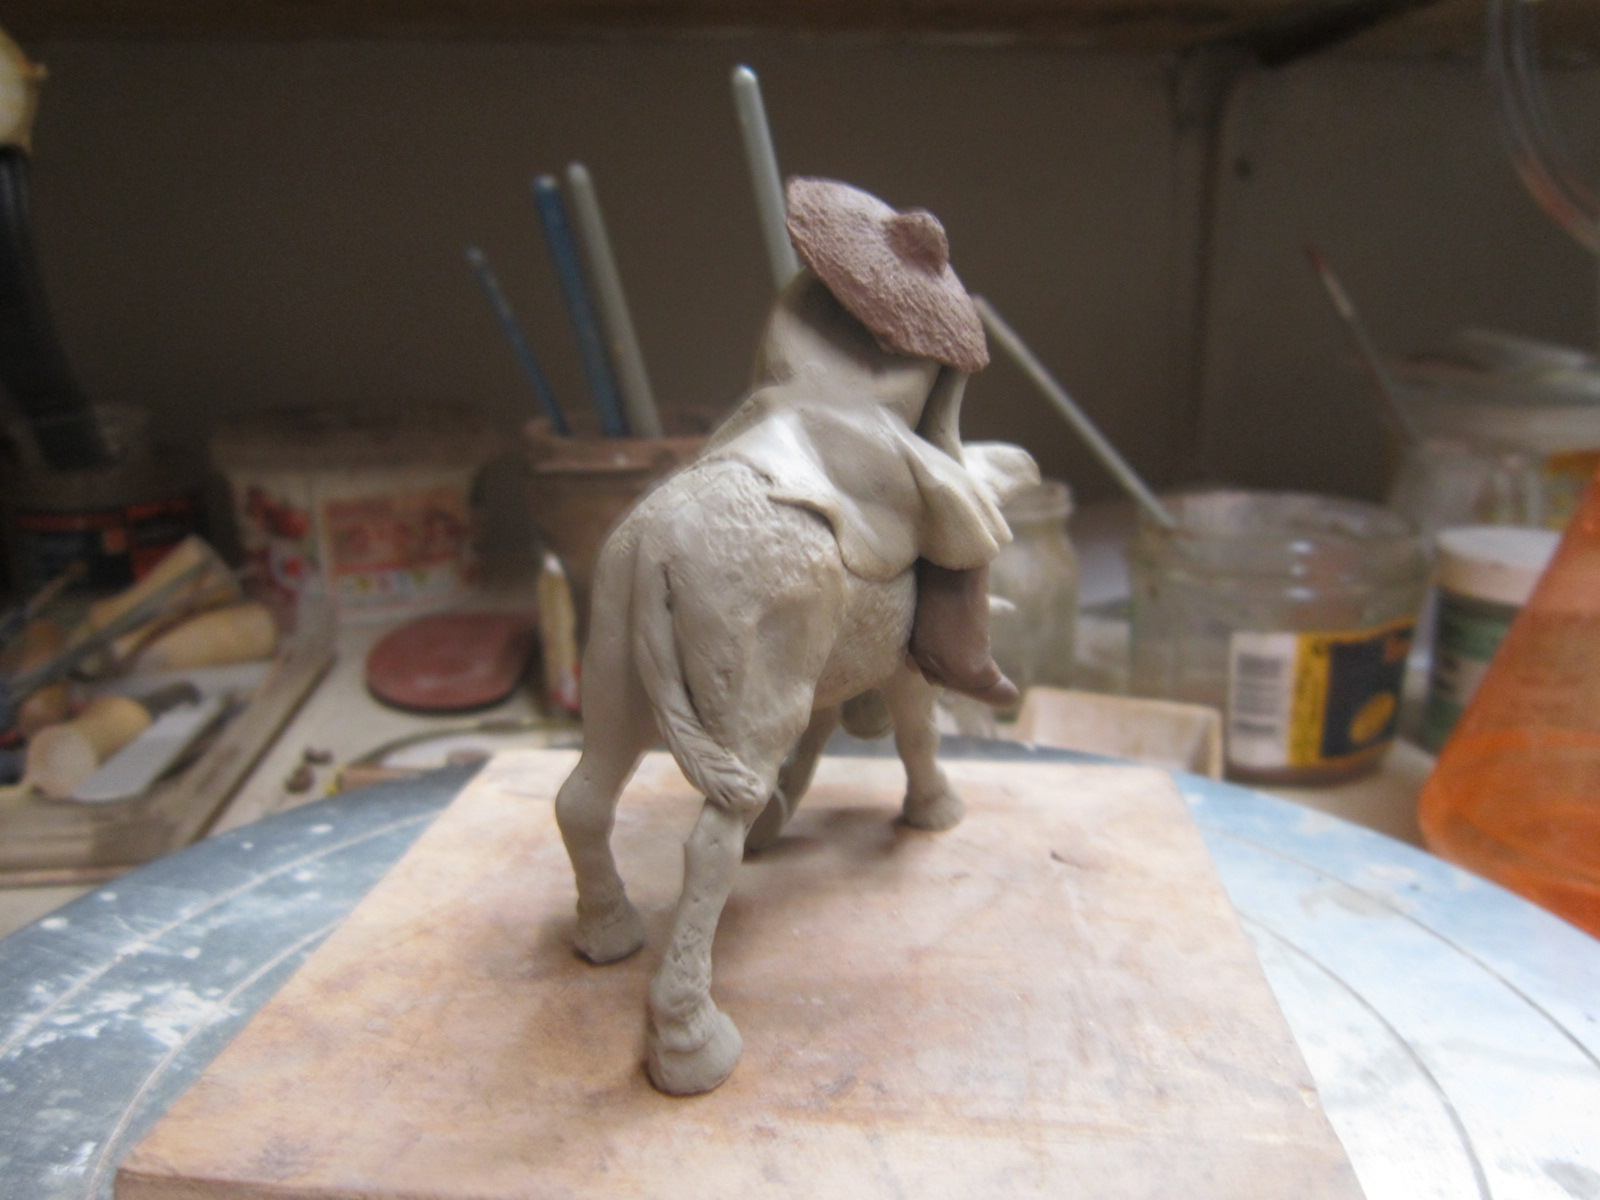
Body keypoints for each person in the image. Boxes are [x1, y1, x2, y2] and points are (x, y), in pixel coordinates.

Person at [699, 177, 1033, 706]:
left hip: (774, 412)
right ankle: (956, 648)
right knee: (964, 514)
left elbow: (774, 367)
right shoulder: (928, 349)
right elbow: (939, 431)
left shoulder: (800, 296)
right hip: (865, 437)